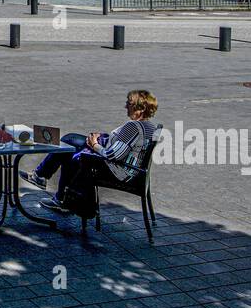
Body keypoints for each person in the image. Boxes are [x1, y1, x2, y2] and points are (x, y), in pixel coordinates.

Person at [22, 89, 160, 217]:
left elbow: (113, 155)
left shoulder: (133, 126)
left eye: (129, 104)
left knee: (71, 154)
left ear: (140, 109)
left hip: (119, 171)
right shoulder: (149, 126)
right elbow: (124, 147)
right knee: (70, 140)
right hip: (130, 170)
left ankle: (58, 195)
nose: (126, 106)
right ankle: (47, 183)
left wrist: (95, 145)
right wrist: (102, 138)